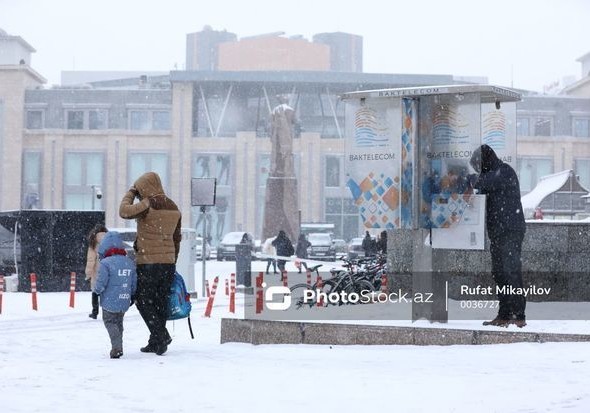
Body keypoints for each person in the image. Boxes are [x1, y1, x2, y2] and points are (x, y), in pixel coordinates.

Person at [119, 172, 182, 355]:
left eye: (140, 190)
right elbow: (177, 238)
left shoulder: (148, 204)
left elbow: (124, 211)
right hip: (167, 263)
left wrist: (131, 191)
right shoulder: (173, 206)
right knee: (160, 302)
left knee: (143, 301)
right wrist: (173, 260)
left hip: (148, 263)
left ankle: (161, 335)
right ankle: (156, 342)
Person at [470, 144, 527, 328]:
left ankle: (518, 315)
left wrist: (465, 178)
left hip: (510, 230)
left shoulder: (504, 172)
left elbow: (481, 182)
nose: (478, 171)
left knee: (511, 271)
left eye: (478, 166)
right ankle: (504, 314)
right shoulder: (493, 174)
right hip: (497, 231)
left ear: (485, 161)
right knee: (500, 273)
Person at [94, 231, 137, 359]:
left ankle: (116, 347)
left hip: (109, 300)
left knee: (110, 322)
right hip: (124, 298)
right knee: (119, 323)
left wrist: (97, 290)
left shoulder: (106, 263)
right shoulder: (129, 262)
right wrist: (132, 294)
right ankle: (118, 346)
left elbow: (102, 281)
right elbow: (134, 282)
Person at [85, 223, 108, 319]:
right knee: (107, 292)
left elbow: (91, 260)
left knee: (95, 292)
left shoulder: (93, 242)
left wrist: (88, 274)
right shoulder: (110, 240)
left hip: (97, 271)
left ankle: (95, 312)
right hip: (108, 269)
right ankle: (107, 312)